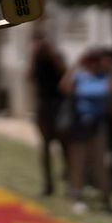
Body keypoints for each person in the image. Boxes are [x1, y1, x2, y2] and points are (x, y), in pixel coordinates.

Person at [59, 47, 112, 213]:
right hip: (79, 125)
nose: (93, 64)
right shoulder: (80, 76)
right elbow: (64, 88)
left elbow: (111, 90)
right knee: (78, 163)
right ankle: (78, 196)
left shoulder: (104, 77)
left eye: (96, 61)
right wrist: (75, 66)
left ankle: (106, 199)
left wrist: (109, 68)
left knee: (100, 164)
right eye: (91, 61)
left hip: (97, 126)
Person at [30, 33, 67, 196]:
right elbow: (29, 76)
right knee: (45, 147)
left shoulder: (56, 57)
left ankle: (70, 181)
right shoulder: (36, 60)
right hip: (44, 105)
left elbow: (64, 72)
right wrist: (33, 55)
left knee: (65, 144)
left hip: (59, 105)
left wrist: (52, 55)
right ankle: (48, 184)